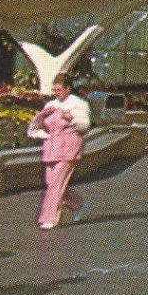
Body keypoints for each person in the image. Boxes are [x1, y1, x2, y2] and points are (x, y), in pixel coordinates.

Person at [28, 74, 92, 230]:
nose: (56, 92)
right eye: (54, 89)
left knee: (56, 183)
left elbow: (85, 126)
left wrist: (71, 118)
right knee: (52, 183)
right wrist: (41, 131)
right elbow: (40, 126)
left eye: (59, 89)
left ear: (68, 89)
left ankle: (49, 218)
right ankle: (78, 204)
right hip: (52, 148)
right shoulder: (50, 105)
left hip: (69, 146)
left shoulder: (79, 104)